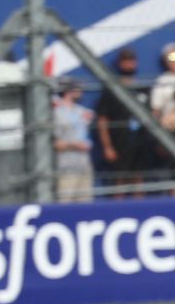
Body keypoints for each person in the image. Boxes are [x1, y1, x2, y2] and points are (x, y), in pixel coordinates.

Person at [94, 47, 145, 195]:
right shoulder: (111, 90)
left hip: (140, 144)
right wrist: (107, 146)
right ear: (119, 64)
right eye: (125, 61)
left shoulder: (143, 88)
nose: (129, 64)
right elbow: (102, 119)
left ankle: (141, 209)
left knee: (139, 180)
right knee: (119, 181)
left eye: (131, 60)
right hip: (119, 144)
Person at [51, 80, 94, 202]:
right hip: (66, 165)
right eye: (77, 88)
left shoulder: (82, 111)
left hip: (84, 163)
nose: (80, 91)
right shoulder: (57, 113)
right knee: (65, 200)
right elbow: (55, 143)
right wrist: (74, 145)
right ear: (68, 91)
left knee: (86, 202)